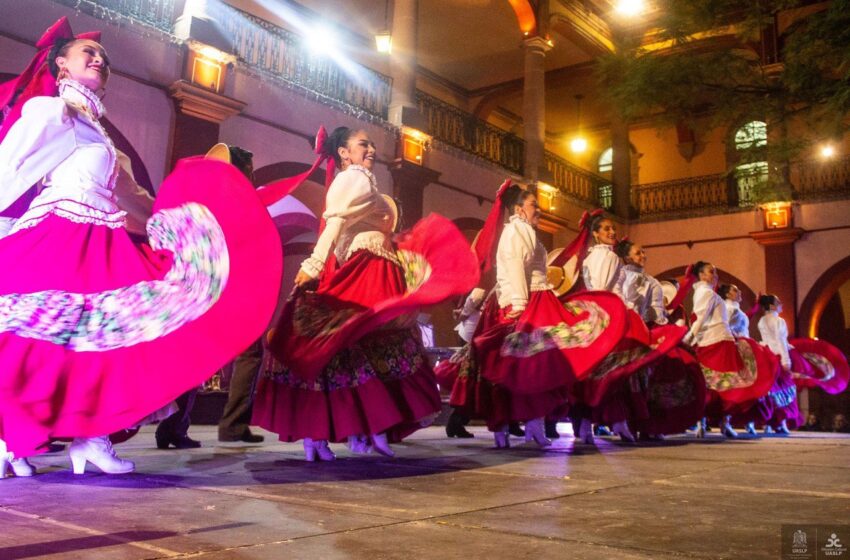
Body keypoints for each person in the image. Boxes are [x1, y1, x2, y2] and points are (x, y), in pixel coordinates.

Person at [0, 18, 281, 476]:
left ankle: (91, 438)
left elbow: (134, 198)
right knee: (35, 339)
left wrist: (193, 224)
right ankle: (11, 436)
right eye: (87, 53)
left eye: (104, 58)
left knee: (109, 344)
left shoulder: (104, 137)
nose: (99, 60)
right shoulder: (52, 112)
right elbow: (7, 168)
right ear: (61, 67)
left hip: (100, 240)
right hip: (59, 235)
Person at [253, 126, 478, 461]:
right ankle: (338, 431)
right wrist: (314, 265)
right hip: (368, 269)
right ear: (344, 152)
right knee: (358, 342)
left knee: (370, 345)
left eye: (372, 145)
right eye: (363, 145)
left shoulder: (365, 180)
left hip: (379, 266)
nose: (371, 149)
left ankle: (362, 429)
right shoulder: (353, 178)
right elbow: (335, 224)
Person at [446, 189, 625, 449]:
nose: (538, 209)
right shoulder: (517, 230)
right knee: (520, 367)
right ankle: (509, 424)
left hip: (538, 298)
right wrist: (518, 303)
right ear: (519, 209)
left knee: (537, 365)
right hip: (525, 301)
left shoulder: (525, 230)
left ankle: (529, 422)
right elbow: (513, 265)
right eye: (533, 205)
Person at [682, 262, 778, 438]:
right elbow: (700, 317)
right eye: (711, 272)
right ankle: (707, 422)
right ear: (702, 275)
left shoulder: (707, 292)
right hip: (715, 341)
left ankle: (716, 422)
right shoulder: (706, 292)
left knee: (721, 383)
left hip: (720, 339)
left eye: (716, 272)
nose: (715, 275)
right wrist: (689, 338)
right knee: (720, 383)